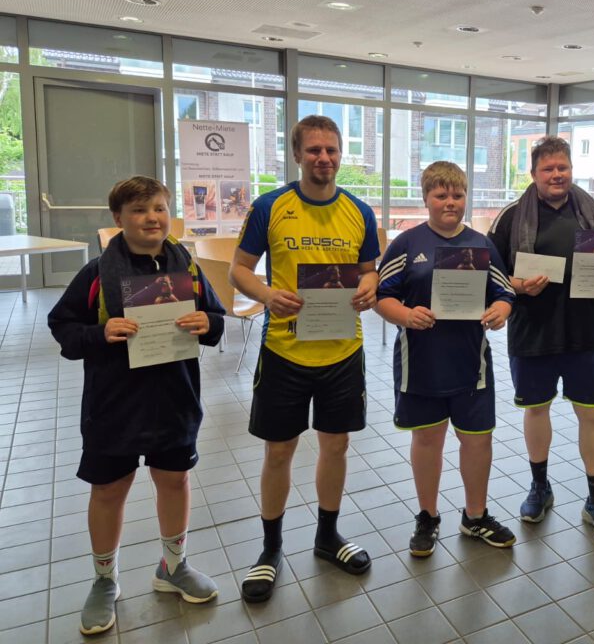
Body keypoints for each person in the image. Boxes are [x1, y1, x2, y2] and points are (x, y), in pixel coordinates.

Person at [48, 176, 225, 636]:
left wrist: (207, 322)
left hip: (175, 399)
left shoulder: (188, 268)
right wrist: (99, 333)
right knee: (109, 489)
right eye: (140, 210)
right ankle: (104, 580)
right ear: (118, 218)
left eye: (159, 209)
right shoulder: (96, 273)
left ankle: (173, 566)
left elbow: (217, 320)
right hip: (114, 405)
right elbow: (62, 326)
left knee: (175, 480)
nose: (152, 218)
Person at [229, 115, 380, 602]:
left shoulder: (359, 211)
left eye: (331, 150)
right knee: (278, 452)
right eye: (314, 150)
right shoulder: (270, 206)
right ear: (297, 154)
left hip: (342, 350)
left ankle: (326, 536)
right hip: (285, 350)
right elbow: (238, 270)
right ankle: (270, 548)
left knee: (336, 447)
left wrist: (369, 287)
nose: (324, 158)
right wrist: (267, 295)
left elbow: (369, 271)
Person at [489, 137, 594, 542]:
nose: (557, 175)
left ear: (571, 169)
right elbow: (490, 273)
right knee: (537, 410)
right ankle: (540, 487)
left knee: (593, 416)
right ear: (534, 173)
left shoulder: (591, 211)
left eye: (563, 168)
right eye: (548, 169)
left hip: (585, 333)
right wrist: (518, 285)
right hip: (532, 333)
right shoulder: (512, 216)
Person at [376, 161, 516, 557]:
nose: (450, 202)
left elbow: (505, 292)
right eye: (441, 195)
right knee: (427, 439)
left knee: (477, 441)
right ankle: (428, 516)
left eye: (457, 194)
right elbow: (382, 297)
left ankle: (475, 516)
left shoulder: (481, 245)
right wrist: (406, 315)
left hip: (471, 364)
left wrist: (501, 311)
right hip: (421, 363)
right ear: (426, 199)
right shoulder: (407, 244)